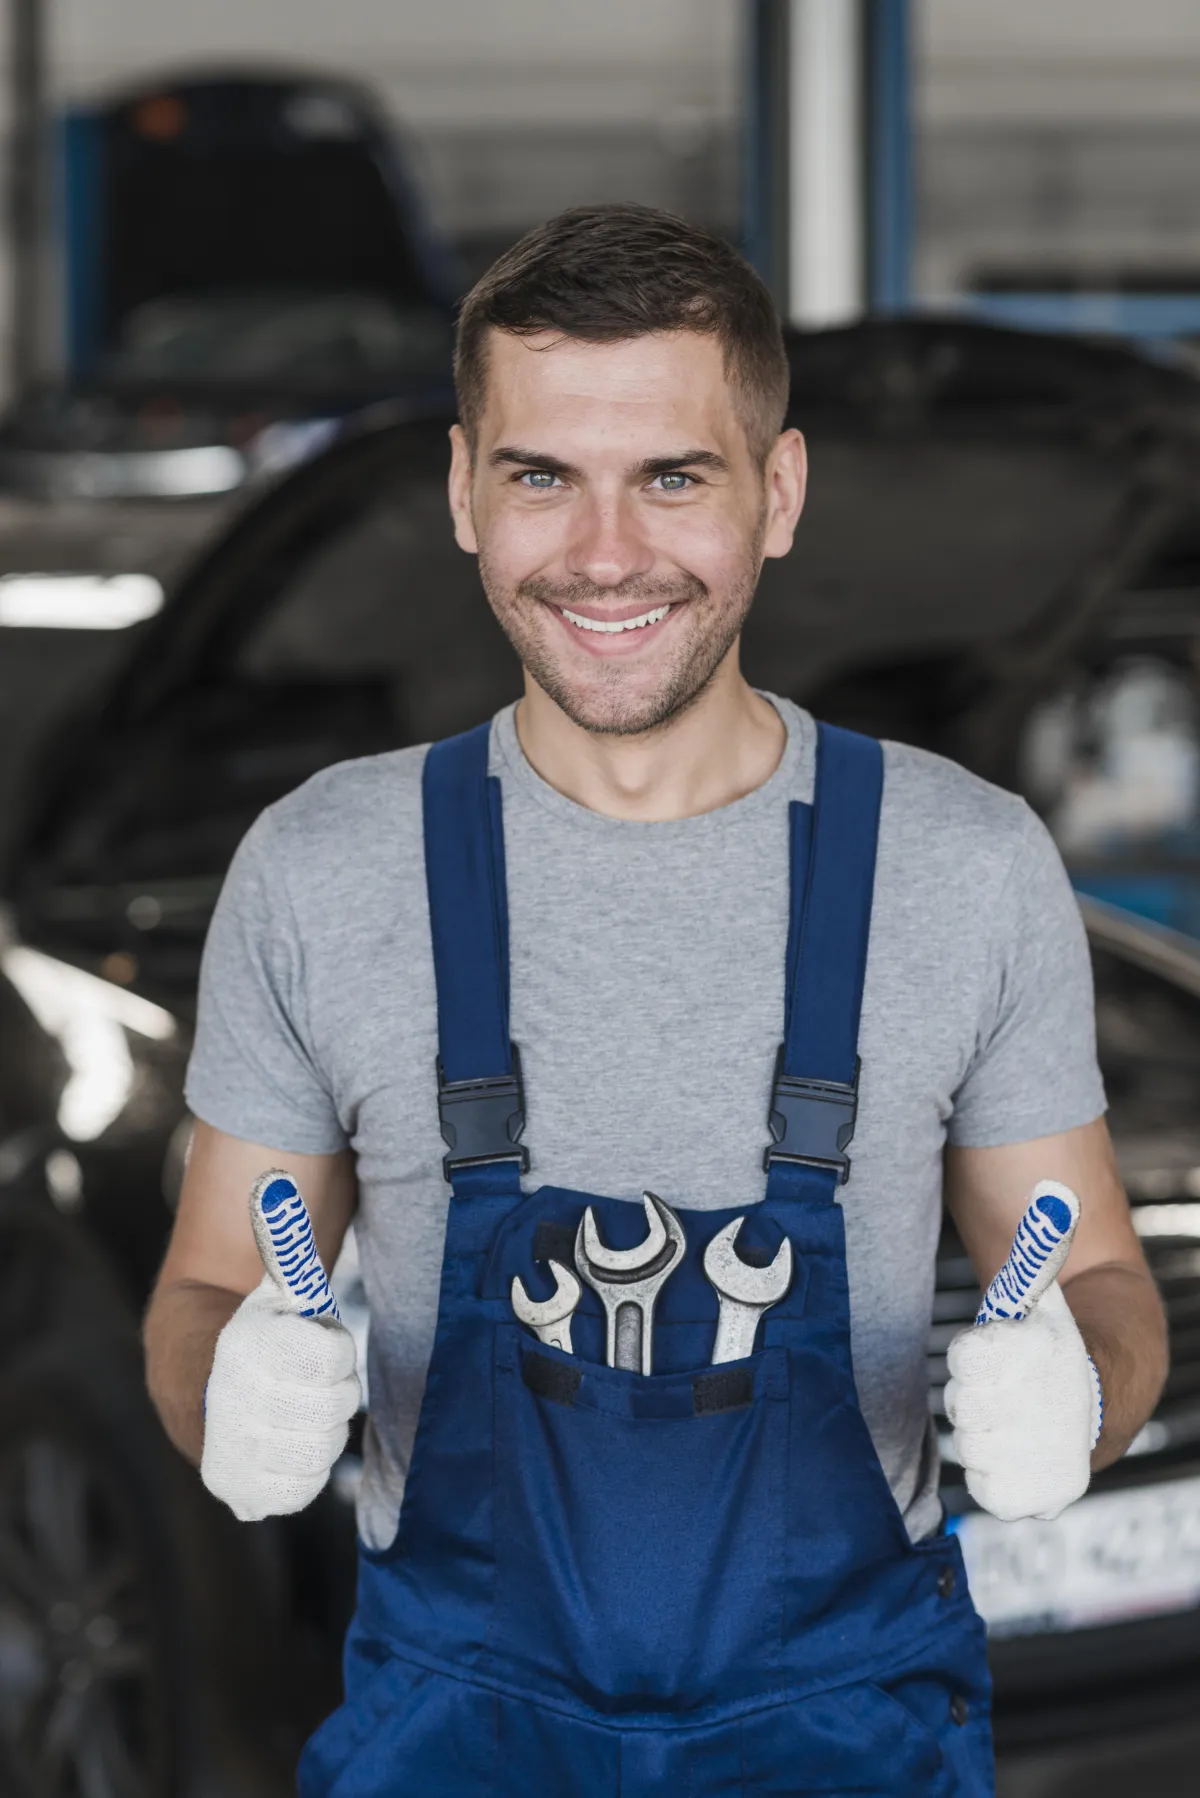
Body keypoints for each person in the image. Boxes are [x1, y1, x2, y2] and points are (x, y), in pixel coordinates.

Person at [143, 204, 1167, 1797]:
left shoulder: (963, 864)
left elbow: (1096, 1267)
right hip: (456, 1741)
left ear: (780, 492)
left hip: (845, 1741)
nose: (606, 552)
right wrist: (226, 1387)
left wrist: (1083, 1391)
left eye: (673, 477)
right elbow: (208, 1280)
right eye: (543, 475)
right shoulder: (322, 868)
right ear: (465, 493)